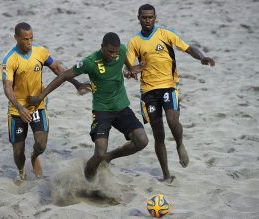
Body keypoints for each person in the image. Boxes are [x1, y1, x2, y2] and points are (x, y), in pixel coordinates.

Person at [27, 32, 149, 181]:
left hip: (122, 107)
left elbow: (123, 59)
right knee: (99, 153)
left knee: (142, 141)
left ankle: (109, 157)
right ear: (102, 47)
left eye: (115, 53)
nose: (113, 55)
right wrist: (40, 96)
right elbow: (64, 75)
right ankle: (89, 183)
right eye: (110, 52)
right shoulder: (90, 62)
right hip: (102, 111)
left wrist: (131, 69)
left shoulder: (121, 50)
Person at [126, 4, 215, 183]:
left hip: (168, 85)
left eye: (151, 17)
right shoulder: (134, 42)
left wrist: (202, 57)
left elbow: (189, 48)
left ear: (155, 17)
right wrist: (132, 71)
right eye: (144, 17)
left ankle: (180, 144)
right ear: (139, 18)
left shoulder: (165, 34)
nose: (148, 20)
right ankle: (166, 175)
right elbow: (128, 68)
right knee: (158, 134)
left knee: (173, 120)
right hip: (148, 92)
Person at [0, 22, 90, 185]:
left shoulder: (40, 52)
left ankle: (34, 157)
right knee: (18, 150)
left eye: (31, 38)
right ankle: (21, 173)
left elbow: (57, 69)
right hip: (17, 110)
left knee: (41, 144)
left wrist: (77, 84)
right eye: (25, 39)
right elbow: (7, 87)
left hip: (37, 106)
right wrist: (19, 108)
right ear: (16, 38)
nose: (29, 42)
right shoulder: (9, 59)